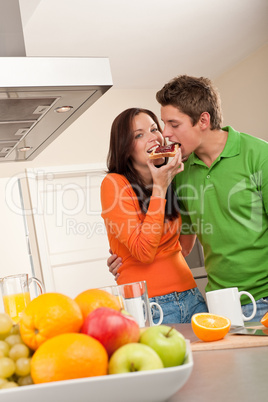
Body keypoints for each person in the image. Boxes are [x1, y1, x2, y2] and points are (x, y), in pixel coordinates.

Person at [108, 75, 268, 322]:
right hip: (219, 304)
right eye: (163, 124)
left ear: (203, 120)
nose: (165, 134)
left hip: (264, 297)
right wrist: (126, 261)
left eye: (173, 124)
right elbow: (179, 243)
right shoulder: (179, 173)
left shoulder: (259, 155)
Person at [101, 107, 208, 324]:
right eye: (139, 135)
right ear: (125, 148)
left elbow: (184, 246)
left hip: (191, 296)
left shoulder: (170, 177)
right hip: (149, 305)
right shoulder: (114, 184)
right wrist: (160, 187)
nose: (153, 138)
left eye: (153, 129)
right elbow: (143, 253)